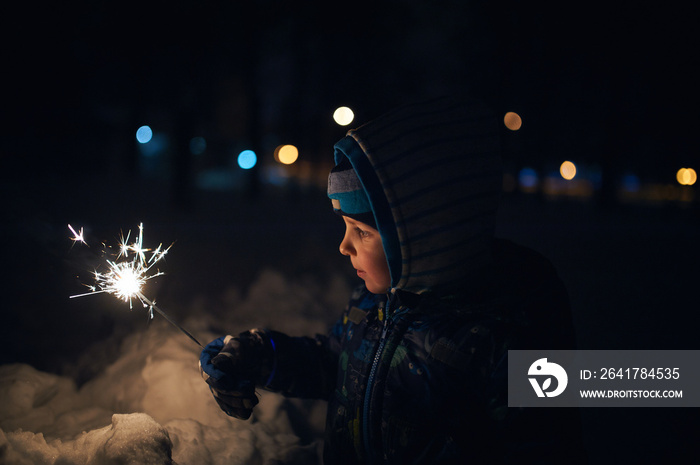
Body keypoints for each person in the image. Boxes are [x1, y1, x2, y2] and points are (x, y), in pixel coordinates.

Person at [199, 96, 587, 464]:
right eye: (345, 226)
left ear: (427, 235)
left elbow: (543, 447)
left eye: (362, 231)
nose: (344, 246)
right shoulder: (379, 301)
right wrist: (257, 354)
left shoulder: (508, 337)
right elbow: (336, 362)